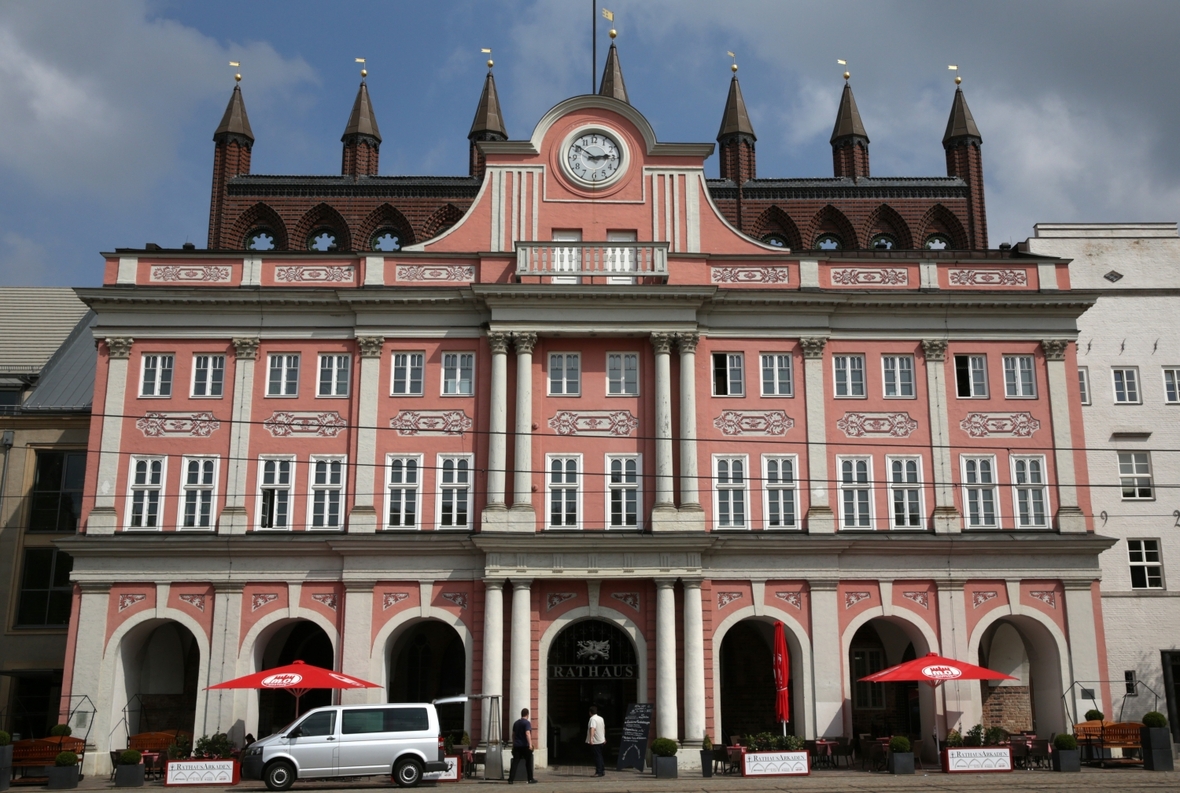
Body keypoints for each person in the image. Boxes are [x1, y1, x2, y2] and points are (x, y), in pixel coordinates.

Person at [508, 707, 537, 784]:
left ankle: (510, 779)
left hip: (517, 746)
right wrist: (530, 744)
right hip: (524, 746)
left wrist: (514, 744)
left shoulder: (516, 723)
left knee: (515, 763)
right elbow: (527, 733)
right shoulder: (527, 723)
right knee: (528, 762)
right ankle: (530, 779)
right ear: (527, 714)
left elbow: (513, 734)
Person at [586, 705, 606, 777]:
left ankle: (599, 771)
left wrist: (591, 739)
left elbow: (592, 729)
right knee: (600, 755)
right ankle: (602, 770)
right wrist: (604, 737)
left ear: (590, 712)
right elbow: (603, 728)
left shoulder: (592, 719)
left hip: (596, 741)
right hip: (601, 739)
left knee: (597, 756)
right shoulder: (601, 718)